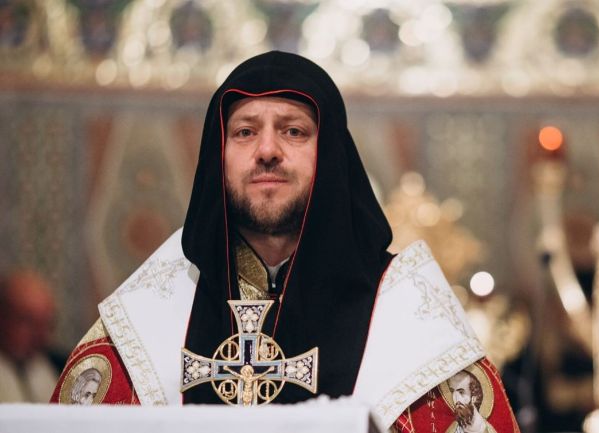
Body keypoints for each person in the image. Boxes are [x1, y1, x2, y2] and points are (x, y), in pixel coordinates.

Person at [51, 51, 519, 432]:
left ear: (330, 154)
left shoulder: (404, 310)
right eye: (244, 131)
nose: (268, 150)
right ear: (218, 155)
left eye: (293, 131)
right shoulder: (153, 309)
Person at [0, 271, 60, 402]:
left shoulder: (56, 365)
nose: (40, 335)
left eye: (45, 324)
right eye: (28, 321)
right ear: (3, 317)